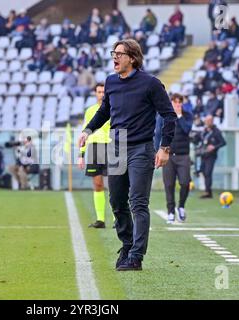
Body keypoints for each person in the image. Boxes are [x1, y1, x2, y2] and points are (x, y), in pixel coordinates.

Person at [78, 39, 177, 271]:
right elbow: (105, 111)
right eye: (113, 53)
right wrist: (88, 130)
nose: (114, 57)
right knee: (116, 201)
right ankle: (127, 244)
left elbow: (169, 116)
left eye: (119, 54)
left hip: (141, 149)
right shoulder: (111, 82)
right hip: (117, 147)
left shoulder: (151, 84)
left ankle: (136, 256)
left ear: (132, 58)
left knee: (138, 202)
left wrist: (164, 148)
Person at [155, 93, 193, 224]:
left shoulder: (187, 115)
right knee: (169, 184)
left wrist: (180, 116)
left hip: (183, 155)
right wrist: (157, 151)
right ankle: (170, 211)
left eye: (179, 102)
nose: (177, 104)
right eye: (175, 102)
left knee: (185, 182)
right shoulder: (163, 115)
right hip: (168, 155)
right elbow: (158, 133)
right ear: (171, 102)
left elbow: (187, 130)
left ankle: (181, 206)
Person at [78, 83, 111, 229]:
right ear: (95, 93)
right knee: (98, 184)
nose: (101, 94)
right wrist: (81, 154)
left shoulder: (114, 108)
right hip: (93, 148)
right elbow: (85, 132)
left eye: (104, 92)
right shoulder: (90, 111)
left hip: (111, 147)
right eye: (99, 92)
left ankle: (118, 219)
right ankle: (100, 219)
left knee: (115, 185)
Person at [197, 115, 226, 199]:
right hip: (203, 154)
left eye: (209, 121)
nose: (207, 122)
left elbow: (223, 142)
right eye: (206, 120)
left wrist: (214, 147)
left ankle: (208, 192)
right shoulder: (204, 131)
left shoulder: (216, 131)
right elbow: (200, 140)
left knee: (208, 172)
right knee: (203, 171)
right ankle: (207, 191)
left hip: (211, 156)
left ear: (212, 121)